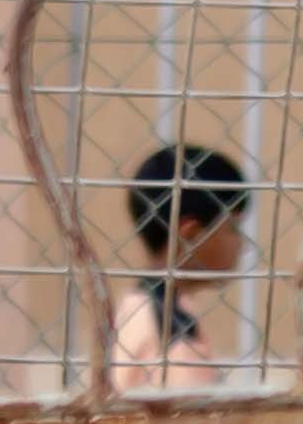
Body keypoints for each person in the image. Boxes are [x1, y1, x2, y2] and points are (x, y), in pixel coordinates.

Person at [105, 138, 254, 392]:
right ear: (191, 233)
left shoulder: (143, 304)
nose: (243, 244)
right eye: (233, 228)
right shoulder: (172, 338)